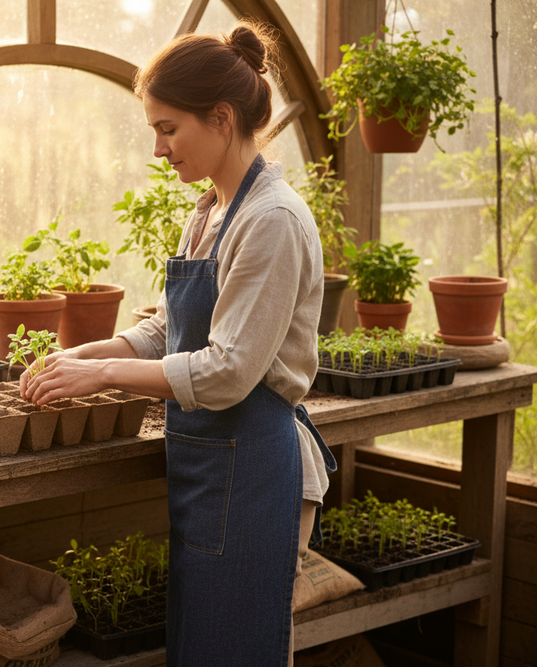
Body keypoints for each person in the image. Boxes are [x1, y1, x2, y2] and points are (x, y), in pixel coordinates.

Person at [20, 20, 336, 667]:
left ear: (221, 118)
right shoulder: (211, 211)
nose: (159, 150)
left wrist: (103, 375)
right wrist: (84, 353)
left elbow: (227, 371)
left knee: (237, 650)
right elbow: (168, 328)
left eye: (168, 128)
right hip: (207, 466)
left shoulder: (270, 220)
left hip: (251, 467)